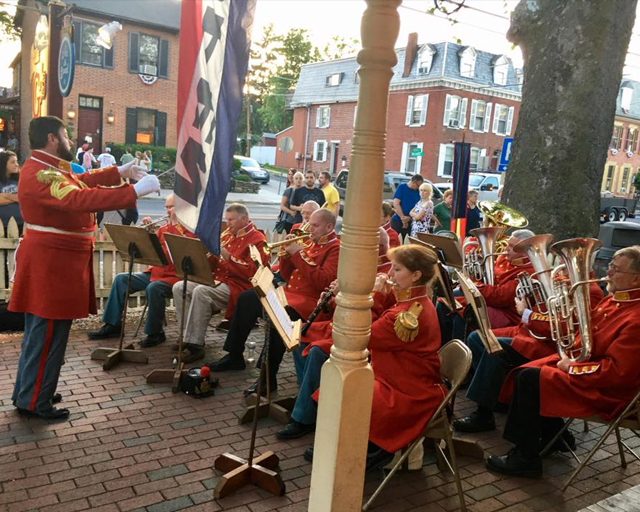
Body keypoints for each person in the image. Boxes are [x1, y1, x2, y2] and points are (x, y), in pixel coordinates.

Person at [10, 116, 158, 420]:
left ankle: (32, 391)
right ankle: (36, 400)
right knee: (48, 333)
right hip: (53, 264)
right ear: (52, 138)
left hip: (54, 261)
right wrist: (133, 192)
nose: (70, 141)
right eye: (66, 135)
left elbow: (82, 180)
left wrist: (119, 171)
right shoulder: (40, 172)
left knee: (42, 333)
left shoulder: (45, 167)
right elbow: (80, 198)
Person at [487, 246, 640, 478]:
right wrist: (570, 350)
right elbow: (587, 337)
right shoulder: (616, 301)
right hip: (591, 373)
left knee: (529, 379)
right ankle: (552, 436)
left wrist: (572, 366)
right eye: (609, 267)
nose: (607, 273)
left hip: (609, 392)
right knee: (524, 371)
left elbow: (617, 373)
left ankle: (525, 457)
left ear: (636, 279)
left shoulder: (635, 318)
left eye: (615, 269)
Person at [302, 245, 445, 470]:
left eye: (397, 270)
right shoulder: (414, 302)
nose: (389, 275)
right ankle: (362, 442)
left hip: (407, 389)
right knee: (339, 386)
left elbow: (361, 335)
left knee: (341, 390)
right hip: (398, 377)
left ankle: (370, 448)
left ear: (416, 275)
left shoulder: (406, 314)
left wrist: (375, 297)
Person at [207, 209, 340, 396]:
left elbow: (323, 281)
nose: (311, 230)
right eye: (310, 224)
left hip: (309, 303)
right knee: (247, 299)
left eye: (315, 226)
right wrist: (287, 257)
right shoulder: (310, 242)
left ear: (329, 227)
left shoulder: (335, 248)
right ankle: (234, 355)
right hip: (290, 295)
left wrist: (298, 256)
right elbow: (285, 275)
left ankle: (267, 377)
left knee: (278, 317)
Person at [276, 226, 391, 441]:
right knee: (300, 334)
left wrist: (339, 298)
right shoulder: (365, 268)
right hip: (342, 325)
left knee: (318, 351)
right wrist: (328, 301)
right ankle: (308, 397)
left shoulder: (385, 275)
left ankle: (303, 417)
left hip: (362, 335)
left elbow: (371, 313)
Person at [453, 279, 603, 435]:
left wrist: (526, 313)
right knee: (477, 339)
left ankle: (483, 414)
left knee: (497, 350)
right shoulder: (559, 282)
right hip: (529, 332)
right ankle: (497, 397)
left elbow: (565, 328)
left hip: (547, 345)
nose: (561, 268)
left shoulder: (590, 291)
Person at [88, 195, 195, 347]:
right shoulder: (163, 228)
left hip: (175, 277)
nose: (167, 210)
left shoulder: (190, 230)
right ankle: (113, 325)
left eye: (171, 207)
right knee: (121, 279)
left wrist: (174, 226)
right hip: (156, 273)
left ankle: (155, 333)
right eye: (166, 207)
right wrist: (148, 234)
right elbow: (151, 252)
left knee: (154, 288)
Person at [172, 204, 268, 363]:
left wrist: (227, 256)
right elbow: (213, 265)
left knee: (202, 292)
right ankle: (187, 337)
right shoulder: (228, 235)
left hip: (239, 286)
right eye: (227, 219)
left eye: (231, 220)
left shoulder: (258, 239)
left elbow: (254, 272)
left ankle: (195, 345)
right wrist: (204, 254)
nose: (228, 223)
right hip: (220, 280)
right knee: (180, 287)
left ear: (244, 219)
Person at [437, 229, 536, 345]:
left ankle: (458, 354)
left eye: (512, 246)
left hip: (508, 314)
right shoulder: (506, 259)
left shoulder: (529, 272)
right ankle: (442, 346)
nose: (506, 249)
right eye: (507, 244)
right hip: (491, 302)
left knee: (465, 315)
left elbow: (499, 297)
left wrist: (473, 284)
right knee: (444, 303)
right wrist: (479, 267)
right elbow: (492, 280)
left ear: (525, 251)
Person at [391, 174, 423, 241]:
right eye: (418, 185)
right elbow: (396, 203)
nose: (418, 188)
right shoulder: (402, 187)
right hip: (398, 219)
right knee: (395, 239)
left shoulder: (418, 192)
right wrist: (403, 218)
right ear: (413, 181)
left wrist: (410, 218)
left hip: (411, 220)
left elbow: (419, 206)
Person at [0, 150, 23, 233]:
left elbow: (24, 198)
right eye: (12, 162)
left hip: (22, 224)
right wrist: (15, 197)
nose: (16, 164)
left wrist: (5, 195)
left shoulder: (20, 180)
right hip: (2, 226)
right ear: (3, 164)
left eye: (16, 161)